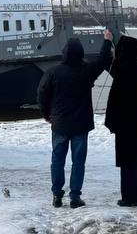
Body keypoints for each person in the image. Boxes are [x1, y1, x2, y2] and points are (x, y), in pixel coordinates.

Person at [37, 28, 113, 208]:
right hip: (81, 124)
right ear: (81, 53)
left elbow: (41, 94)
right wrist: (107, 40)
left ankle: (57, 195)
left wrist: (46, 114)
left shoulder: (52, 72)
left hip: (59, 123)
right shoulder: (87, 70)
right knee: (78, 162)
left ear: (64, 53)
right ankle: (75, 197)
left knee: (57, 160)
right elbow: (102, 60)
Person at [104, 35, 137, 206]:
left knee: (127, 159)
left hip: (126, 119)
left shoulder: (123, 68)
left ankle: (131, 198)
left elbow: (109, 64)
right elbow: (115, 65)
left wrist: (107, 42)